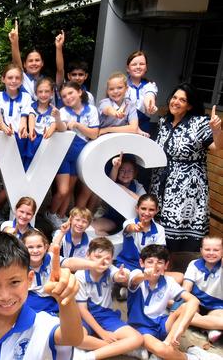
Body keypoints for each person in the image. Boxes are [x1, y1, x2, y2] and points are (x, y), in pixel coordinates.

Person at [149, 83, 223, 253]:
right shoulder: (163, 122)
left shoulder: (200, 123)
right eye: (174, 97)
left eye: (182, 100)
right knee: (158, 231)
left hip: (187, 188)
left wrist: (217, 130)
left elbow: (217, 147)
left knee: (179, 231)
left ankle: (178, 268)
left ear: (189, 105)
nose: (176, 102)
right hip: (161, 183)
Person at [126, 244, 210, 359]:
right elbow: (135, 280)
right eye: (150, 262)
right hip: (140, 328)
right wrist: (145, 276)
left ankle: (168, 344)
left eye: (160, 262)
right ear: (142, 263)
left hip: (161, 323)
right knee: (161, 349)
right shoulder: (136, 274)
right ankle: (192, 356)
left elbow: (194, 301)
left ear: (166, 265)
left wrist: (180, 328)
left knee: (187, 306)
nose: (154, 266)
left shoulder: (169, 281)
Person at [73, 238, 145, 360]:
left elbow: (118, 275)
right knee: (76, 339)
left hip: (106, 315)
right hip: (84, 316)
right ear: (87, 255)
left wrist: (123, 276)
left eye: (107, 258)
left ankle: (90, 356)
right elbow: (83, 310)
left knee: (137, 338)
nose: (102, 262)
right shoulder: (80, 275)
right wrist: (102, 333)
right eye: (97, 257)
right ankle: (124, 349)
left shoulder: (110, 269)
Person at [0, 64, 33, 226]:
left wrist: (24, 125)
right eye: (10, 77)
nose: (13, 81)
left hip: (22, 142)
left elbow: (26, 116)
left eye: (17, 78)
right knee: (11, 182)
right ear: (3, 79)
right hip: (4, 142)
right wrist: (3, 126)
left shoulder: (25, 97)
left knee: (18, 182)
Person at [48, 81, 99, 227]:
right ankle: (51, 213)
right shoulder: (63, 111)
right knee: (63, 190)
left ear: (80, 92)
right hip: (65, 154)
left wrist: (77, 125)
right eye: (64, 96)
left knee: (70, 189)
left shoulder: (92, 110)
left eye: (70, 93)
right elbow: (62, 128)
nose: (68, 97)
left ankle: (60, 215)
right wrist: (57, 117)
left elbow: (94, 134)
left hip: (81, 154)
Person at [92, 154, 146, 236]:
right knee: (93, 228)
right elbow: (110, 183)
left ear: (134, 173)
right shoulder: (111, 182)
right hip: (112, 220)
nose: (125, 173)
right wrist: (115, 167)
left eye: (130, 171)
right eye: (122, 170)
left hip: (131, 221)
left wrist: (124, 189)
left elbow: (145, 202)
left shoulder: (137, 186)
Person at [9, 20, 64, 100]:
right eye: (30, 61)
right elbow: (16, 62)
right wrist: (15, 42)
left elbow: (60, 70)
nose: (34, 63)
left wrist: (59, 48)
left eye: (37, 60)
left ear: (42, 63)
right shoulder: (21, 78)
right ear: (24, 64)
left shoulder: (48, 81)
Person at [183, 236, 223, 344]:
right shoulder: (194, 264)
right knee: (184, 306)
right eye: (207, 249)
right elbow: (186, 288)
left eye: (216, 250)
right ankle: (210, 326)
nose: (211, 253)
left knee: (220, 317)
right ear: (201, 250)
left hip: (217, 306)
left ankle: (193, 321)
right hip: (196, 302)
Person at [115, 194, 165, 272]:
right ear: (137, 208)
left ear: (157, 210)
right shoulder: (129, 222)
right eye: (143, 209)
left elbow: (159, 253)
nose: (147, 213)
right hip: (127, 265)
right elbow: (129, 228)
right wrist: (136, 228)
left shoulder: (160, 229)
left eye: (151, 210)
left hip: (148, 268)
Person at [23, 77, 60, 171]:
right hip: (31, 142)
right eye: (40, 91)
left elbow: (54, 124)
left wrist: (50, 131)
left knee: (42, 171)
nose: (43, 94)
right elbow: (31, 116)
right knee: (27, 168)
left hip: (46, 143)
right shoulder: (31, 106)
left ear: (52, 93)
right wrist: (31, 130)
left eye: (47, 91)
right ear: (36, 93)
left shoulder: (54, 111)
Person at [125, 51, 158, 134]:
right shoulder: (121, 84)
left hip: (143, 126)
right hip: (124, 125)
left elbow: (149, 96)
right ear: (128, 68)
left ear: (146, 68)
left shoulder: (150, 85)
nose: (138, 67)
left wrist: (150, 106)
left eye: (142, 64)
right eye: (134, 64)